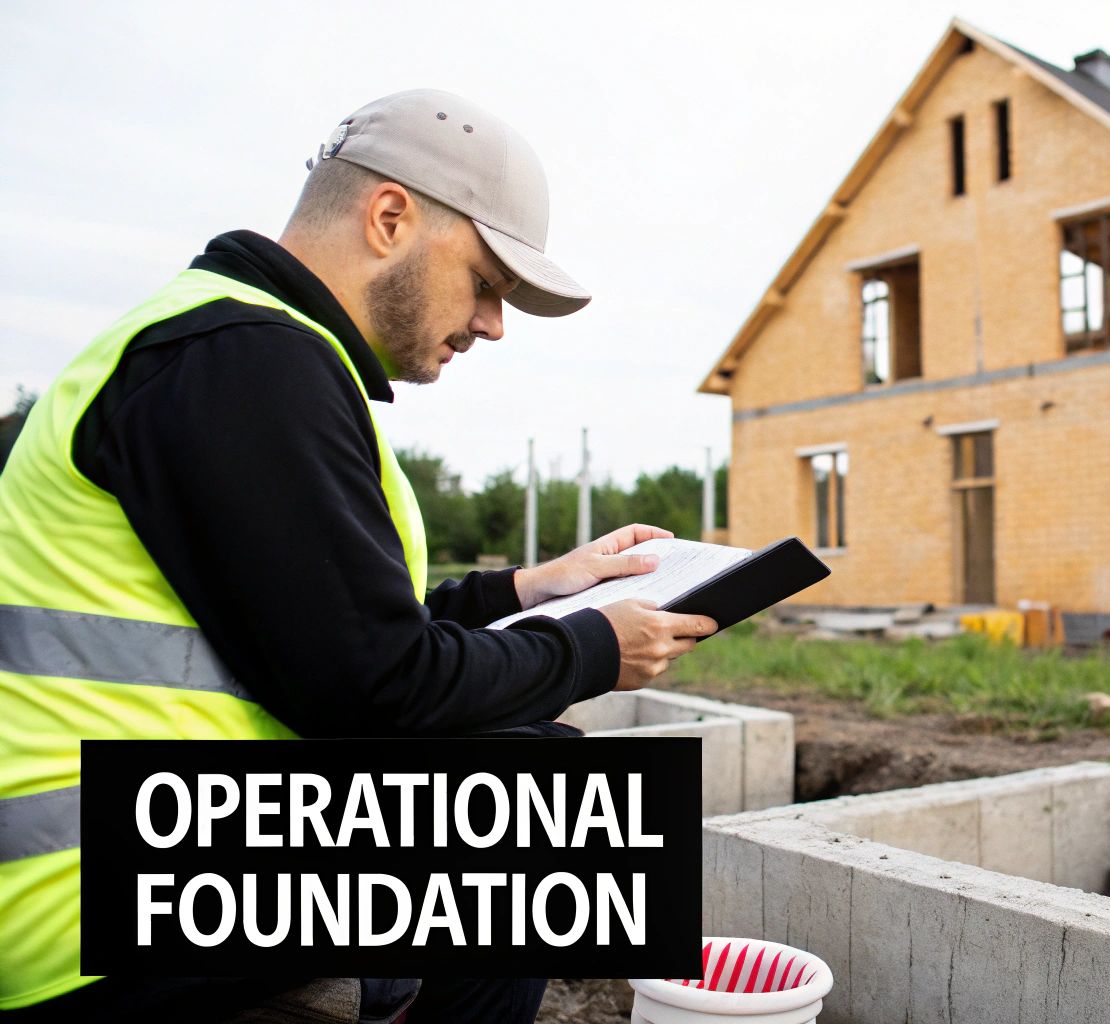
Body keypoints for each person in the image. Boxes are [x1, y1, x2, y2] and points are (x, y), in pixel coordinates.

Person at [0, 89, 717, 1022]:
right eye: (488, 282)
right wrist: (591, 647)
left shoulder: (222, 348)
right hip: (95, 902)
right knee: (555, 811)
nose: (495, 324)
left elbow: (332, 629)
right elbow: (374, 694)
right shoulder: (247, 361)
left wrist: (529, 590)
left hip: (149, 846)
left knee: (531, 766)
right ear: (390, 218)